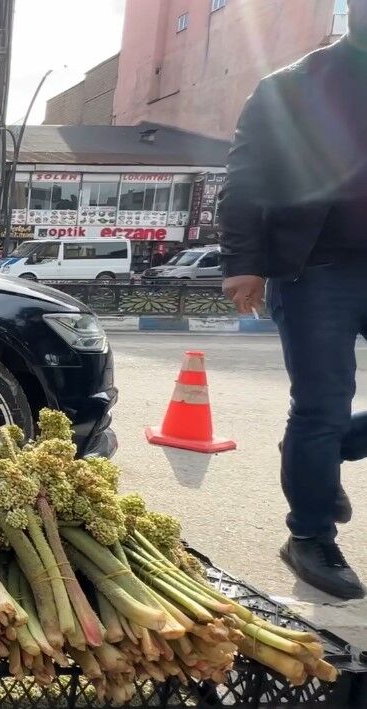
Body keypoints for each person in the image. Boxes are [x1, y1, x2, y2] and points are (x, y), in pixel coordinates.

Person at [219, 0, 367, 600]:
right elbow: (246, 177)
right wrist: (244, 265)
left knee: (320, 429)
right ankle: (309, 534)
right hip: (316, 270)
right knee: (322, 404)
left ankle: (316, 454)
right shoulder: (293, 86)